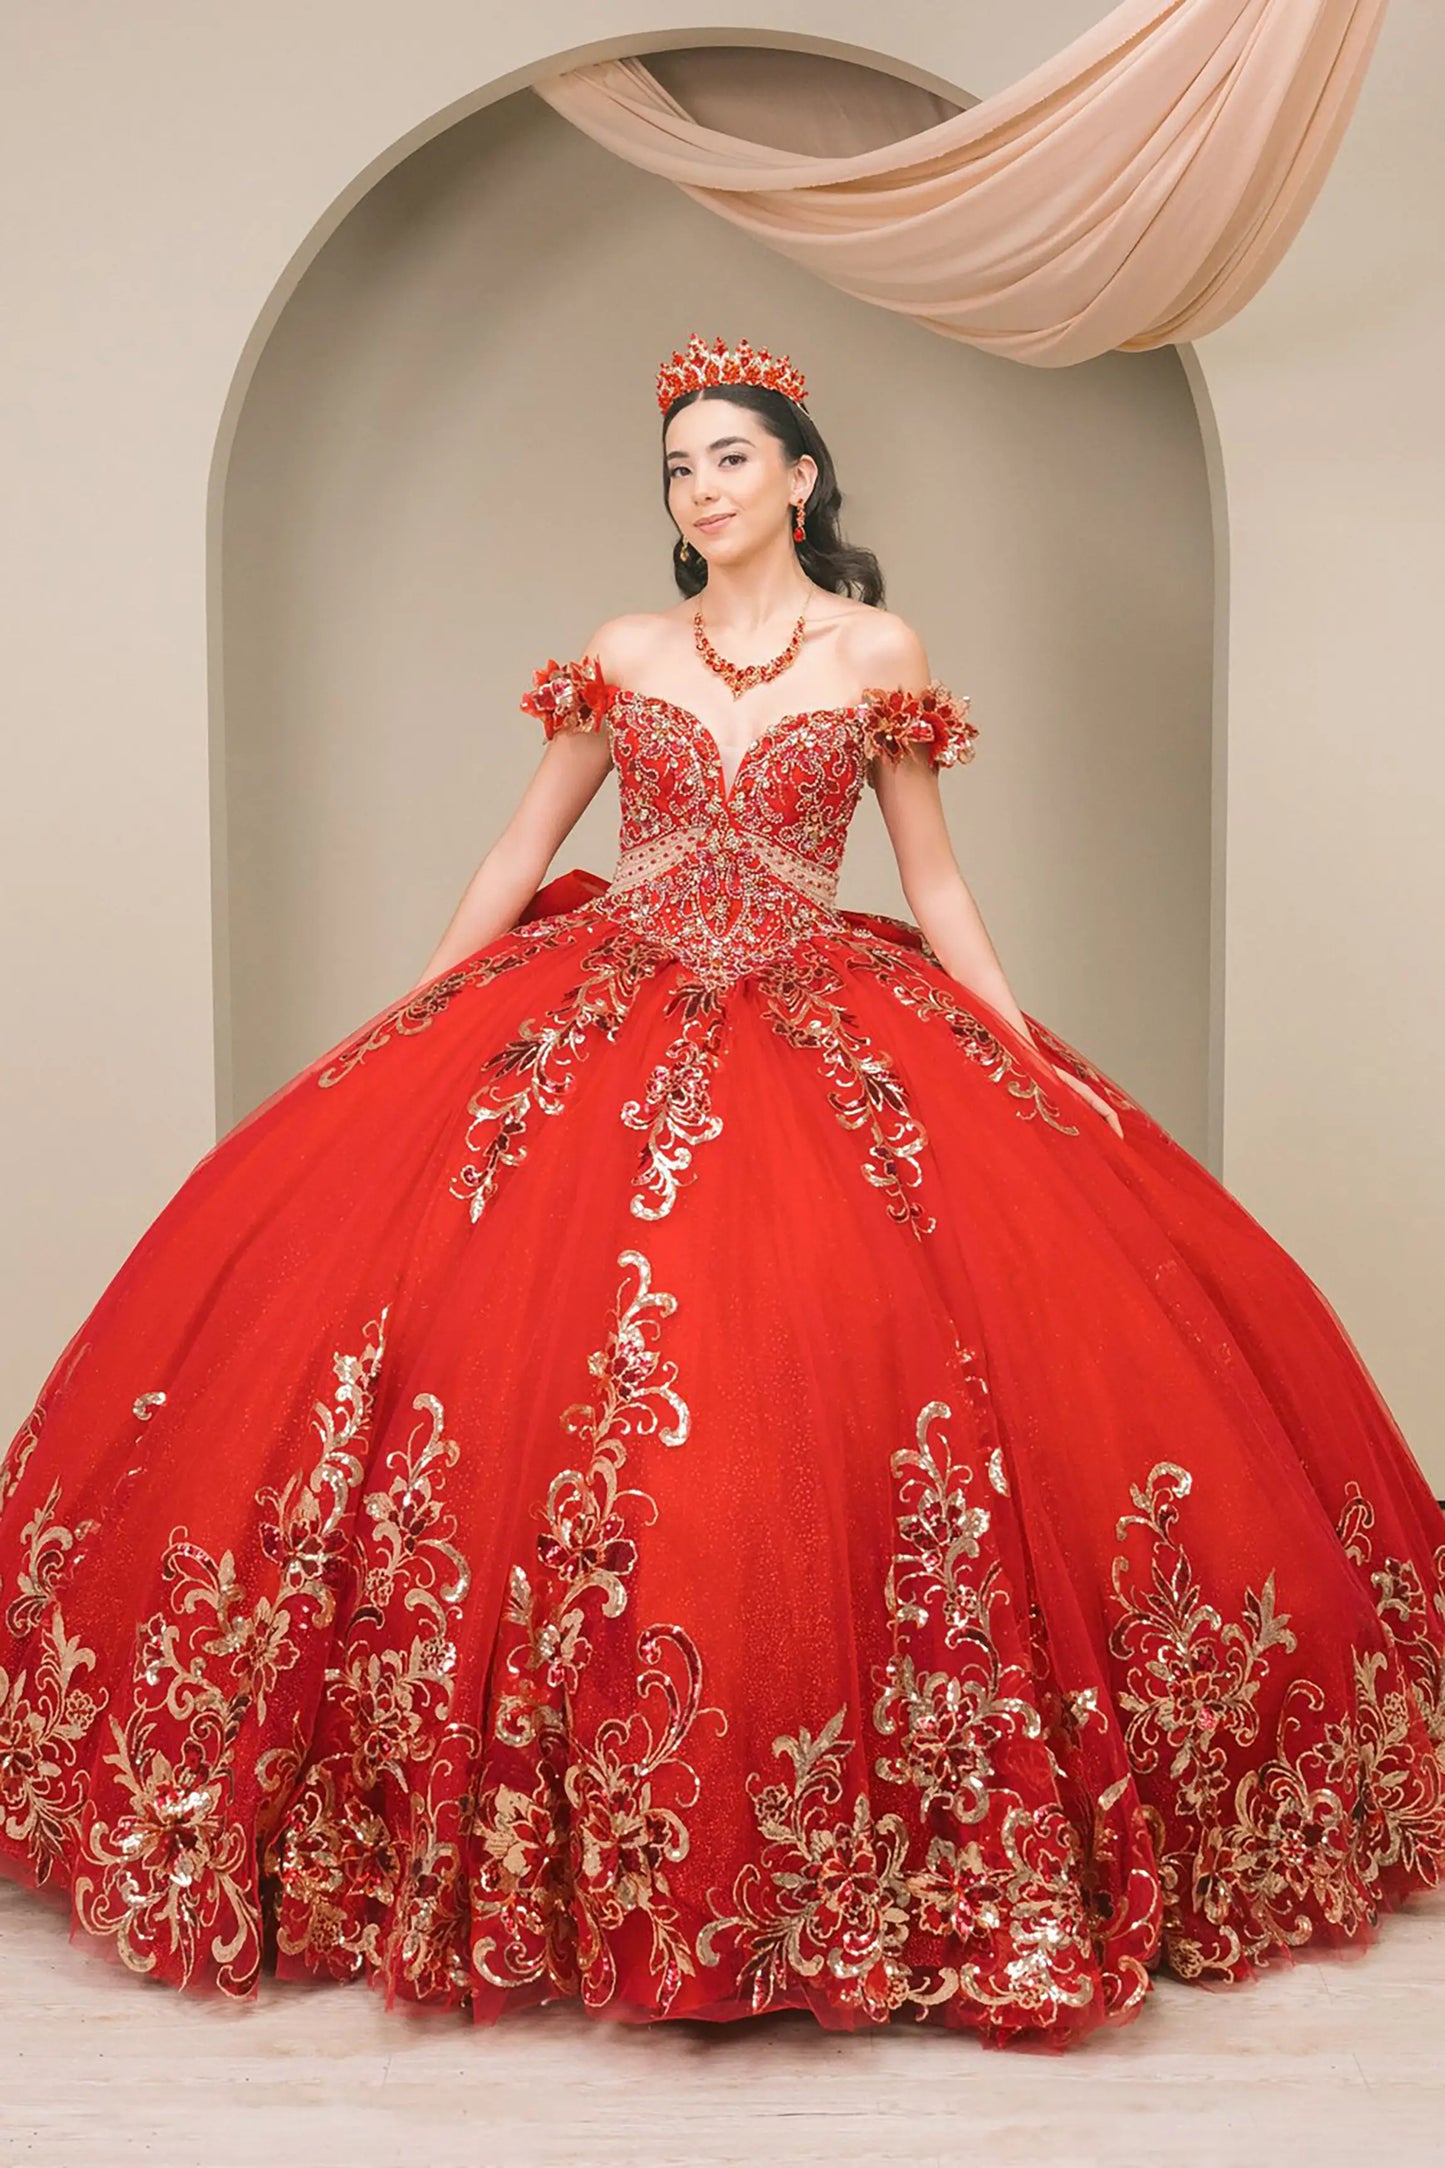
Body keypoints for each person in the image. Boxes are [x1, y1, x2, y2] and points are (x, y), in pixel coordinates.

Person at [1, 333, 1441, 2053]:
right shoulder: (624, 649)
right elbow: (523, 849)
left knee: (836, 1376)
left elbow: (932, 882)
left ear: (801, 477)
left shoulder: (877, 651)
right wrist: (411, 1019)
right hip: (606, 1000)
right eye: (679, 466)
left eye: (731, 457)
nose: (700, 488)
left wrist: (1017, 1053)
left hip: (821, 1014)